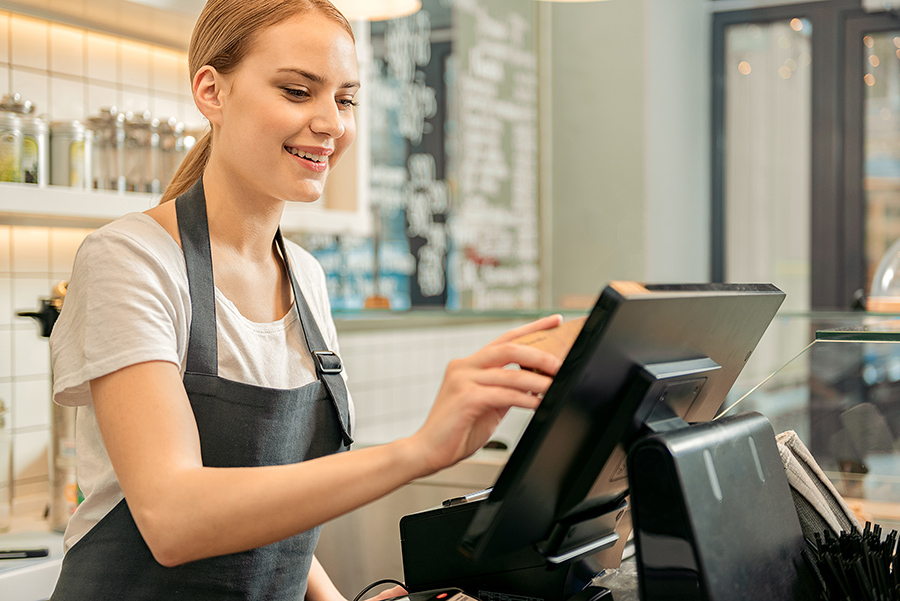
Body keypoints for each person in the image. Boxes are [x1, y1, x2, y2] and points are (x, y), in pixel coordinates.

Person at [46, 0, 563, 599]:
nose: (332, 124)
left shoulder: (306, 279)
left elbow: (269, 509)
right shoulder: (130, 259)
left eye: (345, 99)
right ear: (211, 91)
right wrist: (419, 451)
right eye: (297, 91)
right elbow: (174, 518)